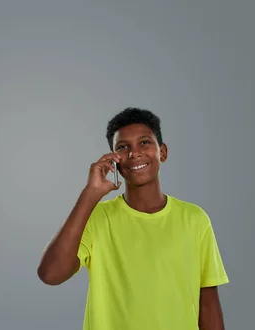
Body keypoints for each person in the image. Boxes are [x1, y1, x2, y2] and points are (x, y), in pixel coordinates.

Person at [37, 108, 229, 330]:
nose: (134, 153)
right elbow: (51, 274)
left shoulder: (195, 219)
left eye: (144, 142)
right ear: (114, 160)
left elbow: (208, 304)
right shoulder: (97, 217)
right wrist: (90, 194)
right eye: (123, 147)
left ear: (162, 152)